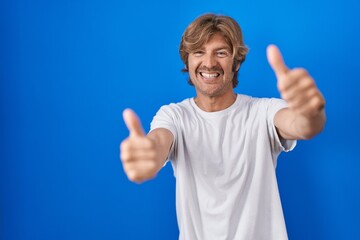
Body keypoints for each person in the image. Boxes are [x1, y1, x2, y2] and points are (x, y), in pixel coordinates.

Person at [120, 13, 326, 240]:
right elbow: (159, 142)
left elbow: (303, 125)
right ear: (187, 61)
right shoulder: (175, 116)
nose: (209, 63)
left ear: (236, 62)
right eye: (199, 52)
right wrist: (149, 155)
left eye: (221, 52)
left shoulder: (263, 111)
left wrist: (310, 113)